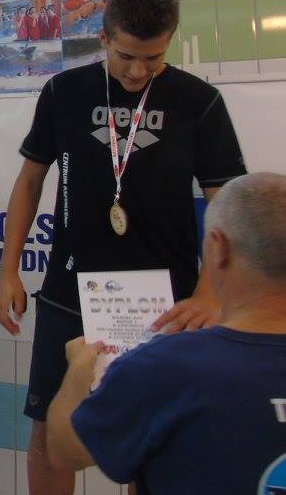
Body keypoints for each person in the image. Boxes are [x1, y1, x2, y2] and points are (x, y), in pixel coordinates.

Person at [0, 0, 247, 495]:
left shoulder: (199, 101)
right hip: (70, 293)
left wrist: (208, 293)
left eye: (153, 59)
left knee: (156, 437)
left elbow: (226, 203)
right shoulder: (64, 92)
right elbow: (30, 181)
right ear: (104, 38)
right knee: (50, 433)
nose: (137, 72)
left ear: (170, 41)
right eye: (126, 56)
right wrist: (8, 269)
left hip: (167, 300)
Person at [47, 172, 286, 494]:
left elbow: (64, 449)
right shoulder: (163, 365)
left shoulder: (163, 366)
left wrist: (78, 370)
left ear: (219, 248)